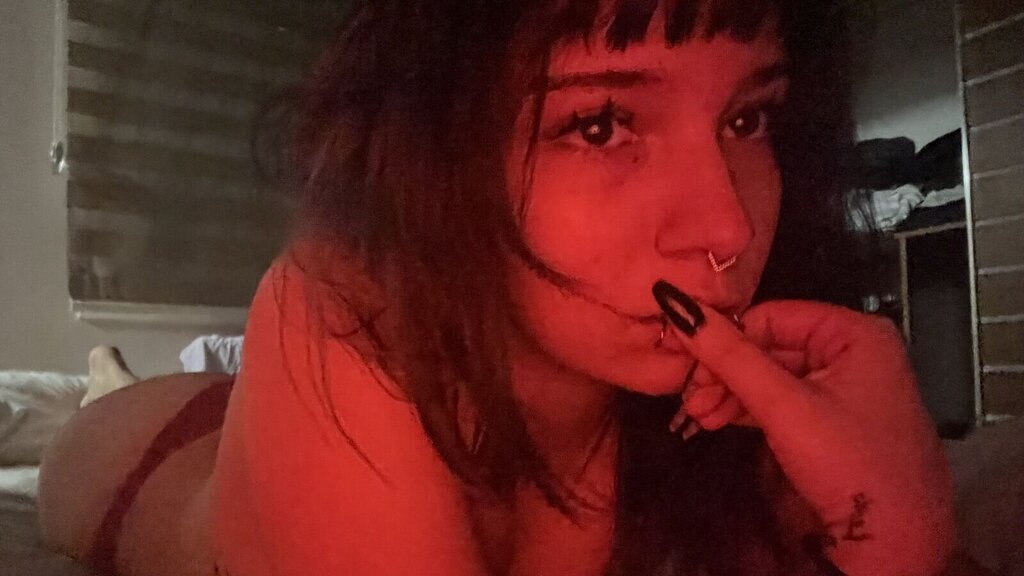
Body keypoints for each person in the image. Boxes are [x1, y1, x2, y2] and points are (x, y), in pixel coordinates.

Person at [38, 1, 985, 574]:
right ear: (435, 147)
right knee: (120, 402)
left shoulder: (729, 409)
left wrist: (907, 542)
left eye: (747, 119)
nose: (726, 229)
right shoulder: (335, 303)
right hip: (145, 451)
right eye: (601, 124)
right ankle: (110, 378)